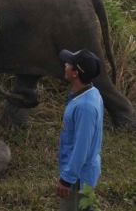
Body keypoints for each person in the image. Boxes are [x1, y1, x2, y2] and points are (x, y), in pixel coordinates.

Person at [57, 48, 104, 211]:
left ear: (76, 73)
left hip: (78, 177)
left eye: (69, 64)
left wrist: (67, 179)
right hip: (81, 170)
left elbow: (82, 147)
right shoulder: (92, 93)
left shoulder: (85, 107)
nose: (65, 65)